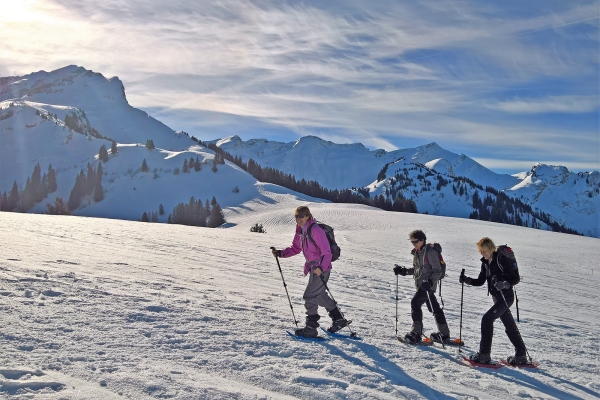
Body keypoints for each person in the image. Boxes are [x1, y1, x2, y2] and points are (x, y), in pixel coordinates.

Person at [271, 206, 349, 338]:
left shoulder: (316, 230)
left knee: (309, 296)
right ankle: (338, 319)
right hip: (313, 268)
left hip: (321, 269)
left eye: (301, 216)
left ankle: (311, 328)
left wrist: (321, 268)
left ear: (308, 216)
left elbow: (327, 252)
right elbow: (295, 248)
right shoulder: (300, 231)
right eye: (296, 216)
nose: (298, 219)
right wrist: (280, 253)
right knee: (319, 296)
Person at [459, 237, 528, 365]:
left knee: (487, 319)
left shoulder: (501, 259)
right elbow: (480, 281)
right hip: (497, 298)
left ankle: (484, 355)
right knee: (509, 325)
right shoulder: (485, 263)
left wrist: (505, 284)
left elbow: (515, 278)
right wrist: (467, 280)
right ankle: (521, 355)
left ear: (490, 248)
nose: (482, 254)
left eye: (484, 251)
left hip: (506, 297)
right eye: (481, 251)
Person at [393, 230, 450, 344]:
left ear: (422, 240)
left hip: (428, 286)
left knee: (415, 303)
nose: (413, 244)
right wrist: (404, 271)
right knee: (434, 308)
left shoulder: (430, 252)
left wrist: (429, 282)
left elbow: (437, 271)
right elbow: (417, 270)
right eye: (412, 241)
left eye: (415, 241)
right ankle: (444, 334)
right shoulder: (417, 253)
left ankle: (416, 333)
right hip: (421, 285)